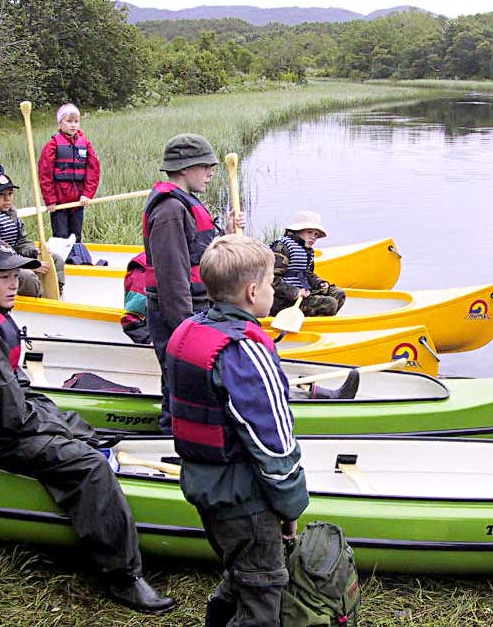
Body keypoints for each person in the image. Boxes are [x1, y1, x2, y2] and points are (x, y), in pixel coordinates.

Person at [0, 238, 175, 614]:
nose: (15, 284)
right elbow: (4, 416)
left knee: (85, 430)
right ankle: (123, 576)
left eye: (16, 275)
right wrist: (58, 432)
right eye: (4, 277)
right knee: (87, 465)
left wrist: (66, 423)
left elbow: (14, 390)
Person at [163, 234, 309, 627]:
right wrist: (291, 506)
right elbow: (273, 441)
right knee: (263, 591)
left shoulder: (189, 331)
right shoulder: (244, 350)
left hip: (205, 486)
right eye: (270, 283)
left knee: (240, 573)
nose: (274, 289)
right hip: (244, 498)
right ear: (251, 291)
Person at [138, 133, 224, 433]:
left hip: (195, 311)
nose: (211, 172)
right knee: (180, 384)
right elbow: (173, 280)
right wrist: (186, 331)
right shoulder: (170, 211)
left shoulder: (182, 206)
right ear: (185, 168)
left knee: (190, 383)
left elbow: (199, 252)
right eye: (206, 166)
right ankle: (170, 438)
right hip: (178, 315)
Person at [0, 172, 65, 297]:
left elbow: (20, 242)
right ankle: (37, 304)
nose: (8, 199)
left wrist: (34, 252)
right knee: (28, 277)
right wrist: (26, 264)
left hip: (8, 260)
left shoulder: (10, 214)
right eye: (1, 195)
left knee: (56, 260)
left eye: (10, 193)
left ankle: (56, 295)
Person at [38, 103, 101, 244]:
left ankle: (77, 260)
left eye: (76, 121)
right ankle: (62, 263)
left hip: (78, 201)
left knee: (76, 236)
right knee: (61, 237)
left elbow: (93, 170)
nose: (73, 125)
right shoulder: (52, 145)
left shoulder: (85, 144)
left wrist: (87, 194)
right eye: (69, 121)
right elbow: (45, 174)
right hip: (59, 203)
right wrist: (50, 200)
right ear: (60, 124)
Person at [269, 210, 346, 317]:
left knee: (339, 293)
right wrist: (295, 292)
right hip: (282, 300)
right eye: (309, 232)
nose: (313, 237)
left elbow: (308, 274)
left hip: (303, 293)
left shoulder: (307, 250)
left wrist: (320, 283)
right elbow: (271, 278)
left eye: (316, 234)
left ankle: (315, 319)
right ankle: (303, 319)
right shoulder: (283, 247)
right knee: (330, 303)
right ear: (298, 231)